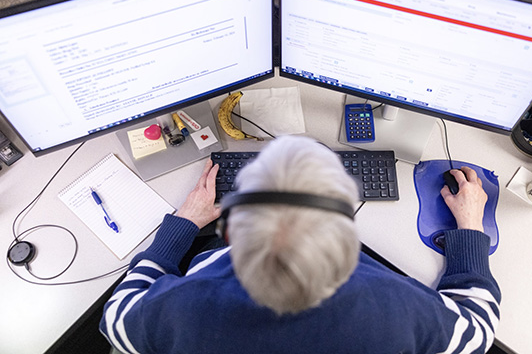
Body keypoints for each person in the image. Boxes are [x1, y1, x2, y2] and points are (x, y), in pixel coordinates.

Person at [101, 135, 500, 354]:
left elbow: (116, 319)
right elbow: (478, 329)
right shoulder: (395, 307)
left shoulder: (183, 306)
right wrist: (469, 228)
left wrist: (183, 224)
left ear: (230, 236)